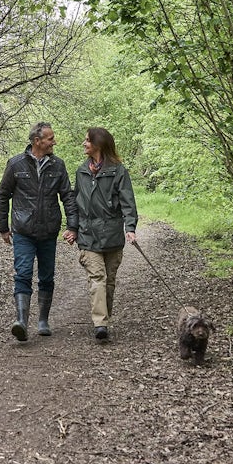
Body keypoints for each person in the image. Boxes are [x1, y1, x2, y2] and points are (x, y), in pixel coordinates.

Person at [0, 122, 78, 341]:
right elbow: (3, 194)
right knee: (22, 273)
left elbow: (67, 196)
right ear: (37, 141)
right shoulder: (16, 164)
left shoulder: (58, 165)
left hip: (49, 230)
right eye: (50, 139)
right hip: (23, 229)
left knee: (46, 276)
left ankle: (43, 320)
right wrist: (2, 227)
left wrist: (72, 226)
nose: (54, 142)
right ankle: (21, 321)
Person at [71, 127, 137, 341]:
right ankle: (100, 324)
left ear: (98, 144)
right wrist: (72, 228)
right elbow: (74, 203)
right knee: (97, 277)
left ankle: (104, 319)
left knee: (109, 281)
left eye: (87, 140)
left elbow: (128, 202)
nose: (84, 143)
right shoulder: (81, 171)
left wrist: (131, 229)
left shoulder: (118, 171)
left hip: (112, 235)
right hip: (88, 235)